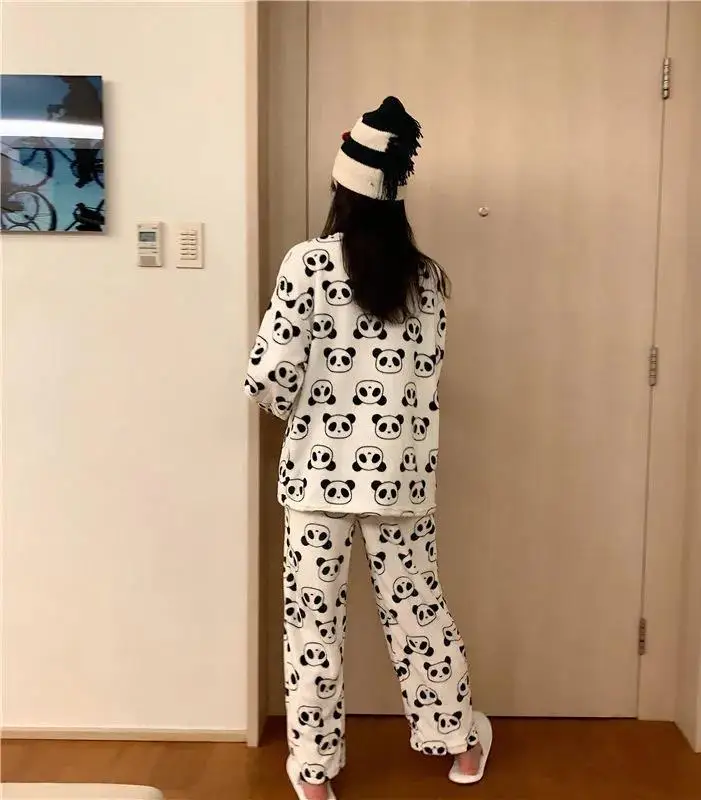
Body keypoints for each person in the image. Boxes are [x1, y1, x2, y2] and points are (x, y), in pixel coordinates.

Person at [245, 97, 492, 800]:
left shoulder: (308, 265)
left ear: (340, 187)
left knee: (312, 623)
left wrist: (306, 413)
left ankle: (314, 774)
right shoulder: (428, 278)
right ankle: (460, 744)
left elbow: (269, 376)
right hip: (400, 480)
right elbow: (427, 378)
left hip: (315, 482)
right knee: (417, 612)